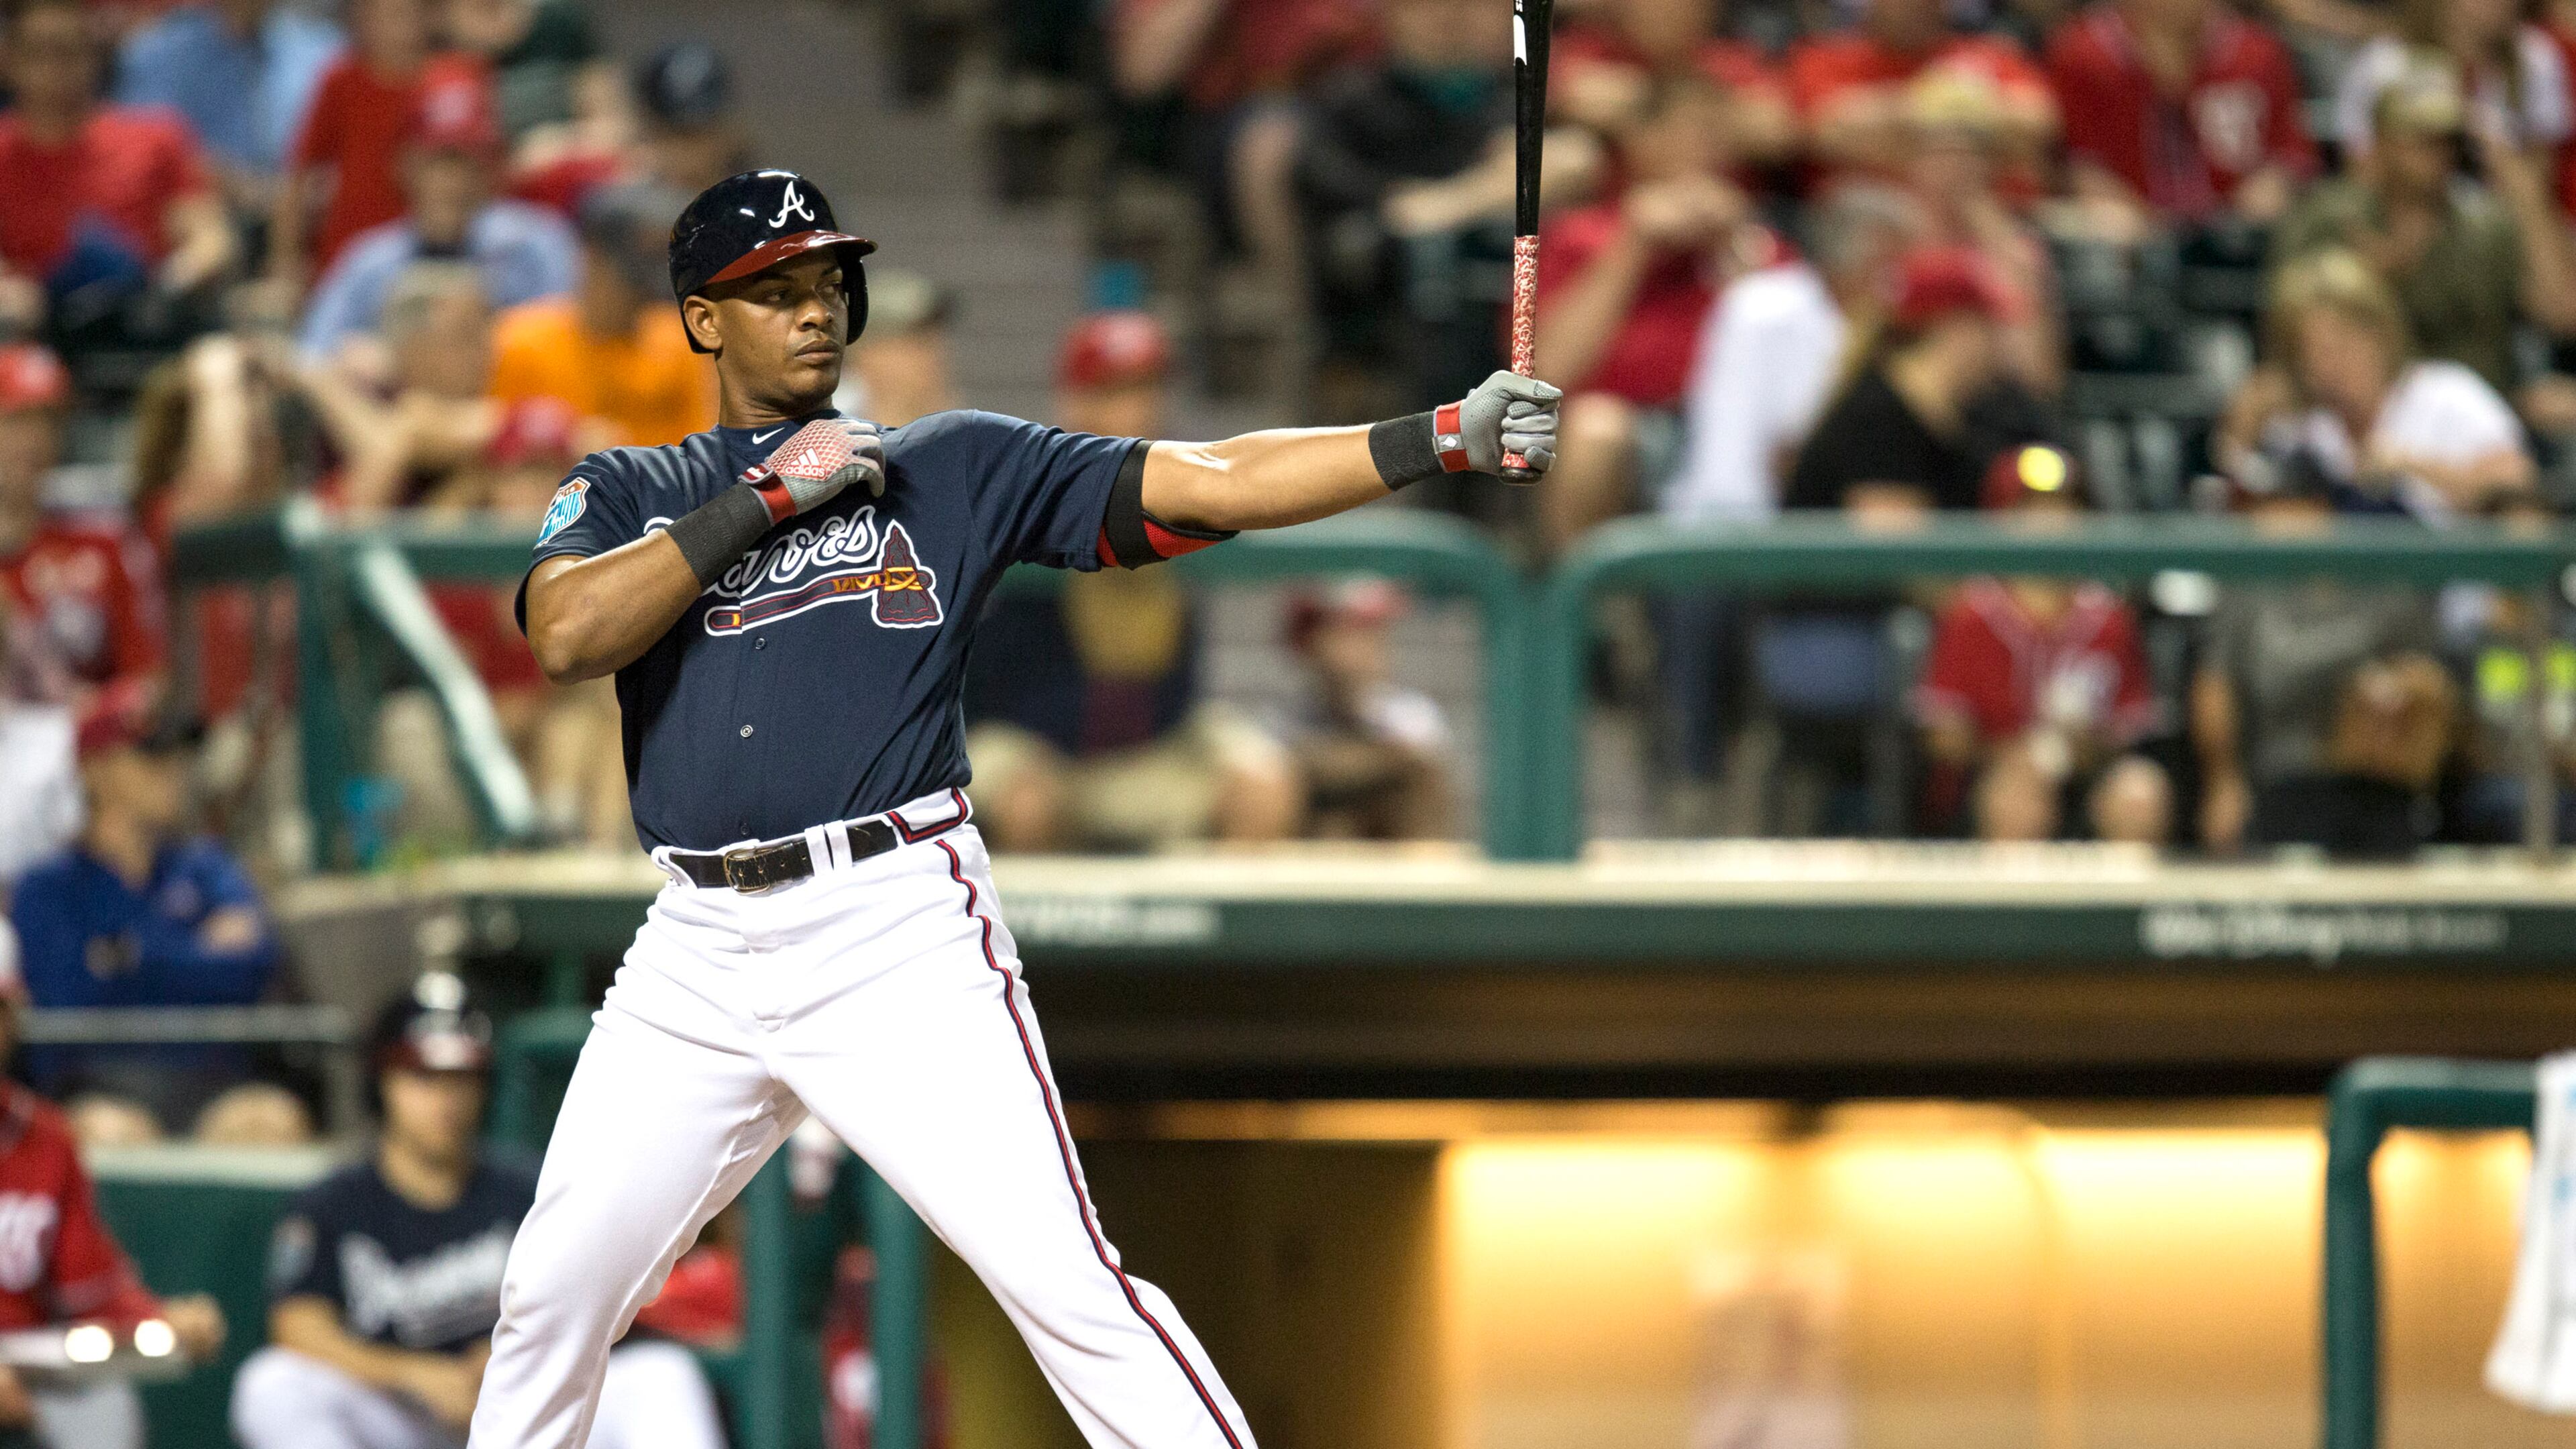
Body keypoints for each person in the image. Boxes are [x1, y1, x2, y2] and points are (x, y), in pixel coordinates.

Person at [483, 167, 1558, 1448]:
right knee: (548, 1302)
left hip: (890, 925)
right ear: (705, 320)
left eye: (829, 284)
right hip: (696, 946)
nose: (815, 311)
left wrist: (1438, 435)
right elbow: (566, 631)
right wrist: (764, 500)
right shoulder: (629, 486)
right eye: (775, 291)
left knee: (1069, 1290)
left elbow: (1208, 478)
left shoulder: (948, 466)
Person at [231, 978, 724, 1449]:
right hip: (401, 1414)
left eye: (461, 1077)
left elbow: (600, 1300)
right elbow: (297, 1326)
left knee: (662, 1376)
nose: (446, 1099)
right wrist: (414, 1374)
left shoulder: (529, 1189)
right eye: (424, 1077)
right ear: (381, 1082)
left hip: (521, 1405)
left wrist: (512, 1361)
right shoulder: (334, 1201)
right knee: (271, 1387)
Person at [962, 311, 1303, 852]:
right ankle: (1034, 938)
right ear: (1075, 402)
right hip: (1035, 745)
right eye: (1116, 391)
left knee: (1261, 785)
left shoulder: (1185, 491)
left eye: (1147, 389)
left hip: (1156, 742)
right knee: (1029, 800)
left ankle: (1208, 935)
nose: (1138, 410)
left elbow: (1180, 677)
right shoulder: (1024, 487)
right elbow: (992, 680)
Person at [6, 712, 282, 1134]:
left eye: (178, 758)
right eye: (151, 756)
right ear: (96, 770)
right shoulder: (47, 887)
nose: (174, 771)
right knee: (110, 1131)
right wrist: (198, 952)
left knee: (269, 1123)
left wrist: (129, 956)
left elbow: (254, 968)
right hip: (98, 1085)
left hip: (215, 1083)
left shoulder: (206, 867)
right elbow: (68, 997)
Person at [0, 953, 224, 1449]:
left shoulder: (47, 1136)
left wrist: (157, 1320)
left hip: (29, 1358)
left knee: (105, 1403)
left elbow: (89, 1288)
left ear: (13, 1016)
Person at [1532, 74, 1756, 555]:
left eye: (1716, 135)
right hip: (1625, 432)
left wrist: (1734, 251)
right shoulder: (1581, 235)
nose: (1701, 151)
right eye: (1684, 132)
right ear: (1639, 140)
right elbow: (1550, 370)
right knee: (1597, 428)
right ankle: (1587, 620)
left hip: (1733, 427)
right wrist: (1634, 245)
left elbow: (1786, 370)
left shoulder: (1756, 243)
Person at [2191, 466, 2454, 856]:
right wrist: (2224, 782)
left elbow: (2432, 679)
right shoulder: (2247, 588)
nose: (2266, 521)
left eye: (2281, 506)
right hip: (2282, 775)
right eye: (2260, 507)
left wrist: (2397, 684)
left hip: (2373, 775)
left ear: (2319, 509)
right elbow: (2214, 685)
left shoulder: (2379, 582)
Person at [1913, 445, 2169, 843]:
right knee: (2018, 796)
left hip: (2083, 783)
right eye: (2032, 510)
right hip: (1991, 779)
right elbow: (1943, 735)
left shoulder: (2107, 616)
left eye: (2064, 508)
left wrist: (2081, 750)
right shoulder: (1972, 612)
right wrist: (2013, 755)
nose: (2052, 523)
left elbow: (2128, 730)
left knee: (2140, 792)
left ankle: (2121, 907)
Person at [2275, 58, 2576, 394]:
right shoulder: (2331, 220)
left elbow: (2563, 313)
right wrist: (2367, 279)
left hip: (2476, 415)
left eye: (2446, 138)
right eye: (2418, 137)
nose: (2436, 153)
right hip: (2361, 413)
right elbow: (2286, 336)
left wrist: (2524, 190)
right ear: (2381, 141)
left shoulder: (2487, 228)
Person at [2220, 248, 2535, 523]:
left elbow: (2519, 491)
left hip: (2454, 584)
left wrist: (2410, 467)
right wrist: (2242, 426)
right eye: (2313, 352)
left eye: (2343, 343)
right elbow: (2243, 498)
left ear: (2380, 332)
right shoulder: (2308, 428)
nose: (2332, 365)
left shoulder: (2446, 394)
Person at [1670, 184, 1917, 525]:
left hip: (1813, 517)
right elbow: (1789, 443)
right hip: (1738, 524)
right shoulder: (1765, 308)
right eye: (1894, 260)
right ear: (1867, 252)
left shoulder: (1872, 324)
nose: (1902, 279)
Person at [299, 68, 579, 363]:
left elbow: (573, 347)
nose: (453, 182)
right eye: (437, 162)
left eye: (467, 162)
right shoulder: (370, 262)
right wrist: (354, 362)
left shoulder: (536, 244)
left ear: (491, 170)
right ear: (405, 166)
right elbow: (310, 359)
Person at [0, 0, 235, 344]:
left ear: (94, 57)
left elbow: (212, 240)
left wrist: (170, 282)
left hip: (146, 330)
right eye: (41, 52)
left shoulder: (156, 136)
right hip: (33, 341)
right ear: (11, 60)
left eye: (70, 50)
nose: (56, 69)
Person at [0, 345, 168, 735]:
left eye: (48, 421)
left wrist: (94, 715)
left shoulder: (100, 542)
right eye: (16, 420)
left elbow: (149, 681)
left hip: (91, 758)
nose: (34, 439)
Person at [1784, 246, 2022, 516]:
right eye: (1988, 326)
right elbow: (1894, 553)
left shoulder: (1965, 417)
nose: (1999, 344)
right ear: (1953, 327)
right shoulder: (1877, 419)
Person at [2045, 0, 2312, 234]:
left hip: (2234, 233)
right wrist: (2127, 218)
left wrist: (2265, 194)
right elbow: (2076, 161)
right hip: (2125, 234)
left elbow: (2286, 153)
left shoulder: (2258, 53)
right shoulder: (2082, 53)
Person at [487, 183, 712, 449]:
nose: (644, 296)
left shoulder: (682, 343)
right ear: (593, 258)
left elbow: (704, 459)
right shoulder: (522, 343)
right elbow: (495, 454)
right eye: (634, 281)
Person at [272, 0, 472, 286]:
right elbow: (298, 178)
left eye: (412, 10)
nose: (402, 22)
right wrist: (287, 264)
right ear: (363, 16)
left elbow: (481, 168)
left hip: (434, 259)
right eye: (387, 11)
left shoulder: (455, 78)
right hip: (346, 257)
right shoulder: (341, 81)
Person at [299, 264, 502, 515]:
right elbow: (353, 520)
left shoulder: (498, 409)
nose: (488, 352)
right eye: (467, 336)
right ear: (415, 349)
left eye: (487, 335)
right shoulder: (370, 399)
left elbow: (490, 424)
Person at [1786, 0, 2056, 184]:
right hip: (1879, 221)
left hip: (1998, 217)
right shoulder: (1824, 58)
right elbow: (1829, 131)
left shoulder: (1993, 54)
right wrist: (1973, 120)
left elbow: (2035, 124)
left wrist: (1893, 127)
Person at [111, 0, 344, 211]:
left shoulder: (324, 52)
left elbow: (341, 153)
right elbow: (140, 153)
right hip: (201, 214)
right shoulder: (157, 55)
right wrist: (237, 185)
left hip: (305, 218)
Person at [1277, 579, 1452, 841]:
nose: (1365, 647)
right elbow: (1292, 766)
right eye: (1347, 632)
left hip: (1396, 864)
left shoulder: (1413, 714)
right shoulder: (1283, 719)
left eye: (1373, 630)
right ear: (1310, 642)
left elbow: (1420, 764)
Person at [2333, 0, 2571, 165]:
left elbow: (2540, 179)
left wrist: (2494, 150)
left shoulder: (2536, 56)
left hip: (2501, 212)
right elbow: (2361, 168)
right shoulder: (2384, 63)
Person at [837, 271, 959, 429]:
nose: (933, 355)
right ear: (867, 353)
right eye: (914, 342)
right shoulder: (822, 429)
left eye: (933, 340)